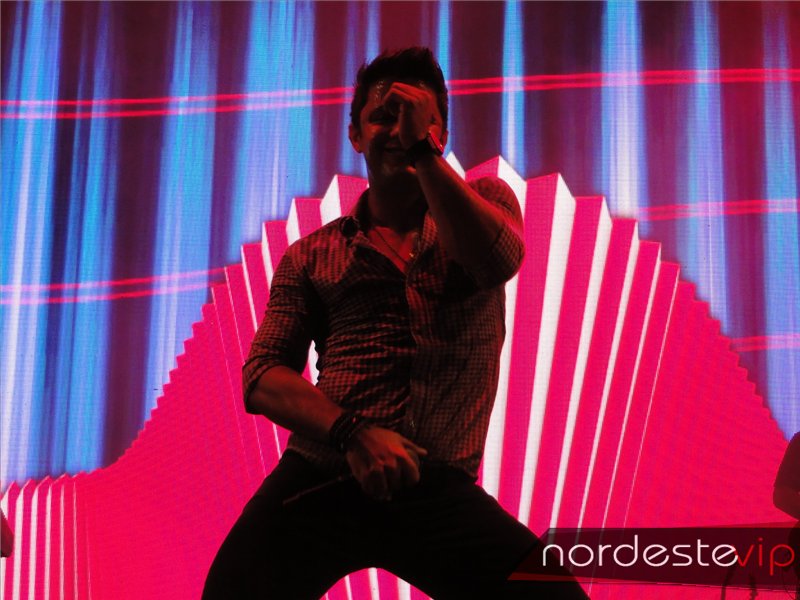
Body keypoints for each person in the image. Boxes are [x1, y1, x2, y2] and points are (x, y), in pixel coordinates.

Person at [203, 47, 587, 599]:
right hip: (325, 475)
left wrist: (422, 154)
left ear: (441, 135)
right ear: (355, 135)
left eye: (417, 118)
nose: (399, 131)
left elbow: (496, 260)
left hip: (436, 486)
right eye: (383, 116)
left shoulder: (486, 200)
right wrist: (353, 433)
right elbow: (262, 376)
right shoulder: (311, 255)